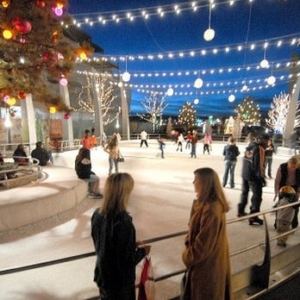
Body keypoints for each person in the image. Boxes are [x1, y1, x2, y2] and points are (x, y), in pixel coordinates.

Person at [91, 173, 151, 300]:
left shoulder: (97, 215)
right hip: (119, 283)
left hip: (103, 276)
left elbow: (103, 244)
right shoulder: (123, 221)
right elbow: (126, 261)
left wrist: (130, 244)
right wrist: (142, 252)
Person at [182, 168, 232, 300]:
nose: (193, 183)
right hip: (210, 265)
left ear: (205, 183)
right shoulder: (206, 205)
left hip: (207, 269)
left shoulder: (211, 210)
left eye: (196, 180)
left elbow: (203, 245)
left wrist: (187, 256)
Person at [237, 135, 266, 225]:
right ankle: (253, 216)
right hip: (254, 176)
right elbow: (258, 164)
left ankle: (240, 211)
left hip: (245, 174)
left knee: (245, 192)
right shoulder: (259, 149)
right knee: (257, 196)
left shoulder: (249, 147)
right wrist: (261, 177)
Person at [274, 156, 300, 229]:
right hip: (283, 187)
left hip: (294, 187)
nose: (292, 169)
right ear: (288, 163)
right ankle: (277, 223)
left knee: (294, 206)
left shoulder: (299, 168)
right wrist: (276, 192)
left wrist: (298, 192)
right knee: (280, 205)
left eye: (294, 167)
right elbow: (277, 181)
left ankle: (294, 223)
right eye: (290, 167)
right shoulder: (282, 167)